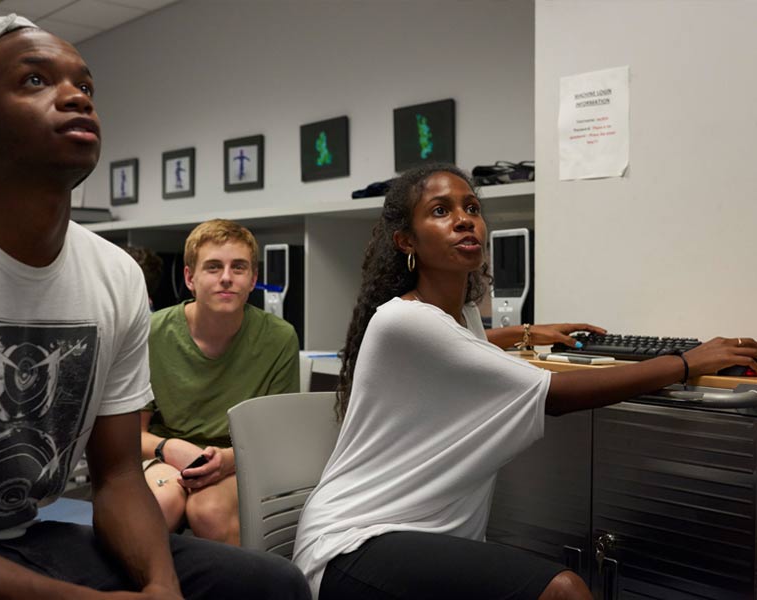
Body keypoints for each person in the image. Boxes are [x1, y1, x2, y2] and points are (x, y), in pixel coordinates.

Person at [0, 10, 309, 599]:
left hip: (24, 536)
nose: (75, 97)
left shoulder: (115, 275)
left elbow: (118, 476)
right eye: (36, 81)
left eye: (85, 86)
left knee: (269, 585)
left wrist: (160, 587)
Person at [291, 163, 757, 600]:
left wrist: (526, 332)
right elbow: (554, 395)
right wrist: (686, 360)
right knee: (565, 590)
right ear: (406, 241)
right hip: (355, 546)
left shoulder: (457, 319)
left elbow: (466, 340)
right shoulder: (405, 323)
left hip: (415, 536)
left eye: (471, 208)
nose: (464, 220)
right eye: (441, 211)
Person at [140, 219, 300, 545]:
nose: (226, 278)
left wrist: (226, 460)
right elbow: (129, 433)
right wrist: (168, 448)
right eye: (213, 267)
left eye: (238, 268)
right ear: (190, 278)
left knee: (208, 510)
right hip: (165, 456)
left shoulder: (279, 338)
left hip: (241, 460)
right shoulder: (152, 333)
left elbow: (276, 438)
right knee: (161, 503)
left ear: (253, 278)